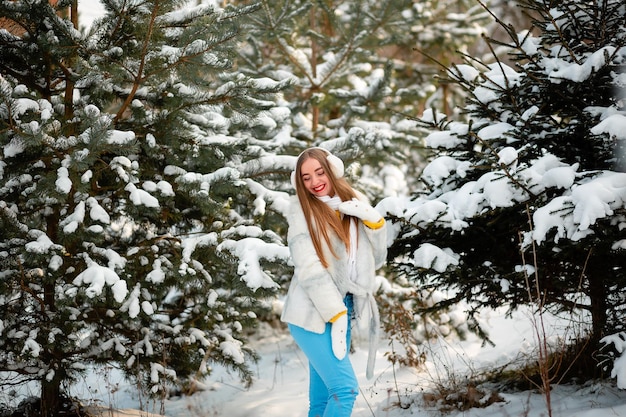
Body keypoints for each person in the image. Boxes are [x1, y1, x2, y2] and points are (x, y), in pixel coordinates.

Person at [281, 147, 387, 417]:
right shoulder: (301, 212)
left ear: (332, 170)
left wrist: (375, 223)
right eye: (306, 177)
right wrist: (335, 312)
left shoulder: (355, 201)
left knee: (321, 401)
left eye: (319, 172)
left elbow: (377, 258)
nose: (315, 182)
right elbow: (308, 268)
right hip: (312, 314)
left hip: (345, 309)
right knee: (345, 389)